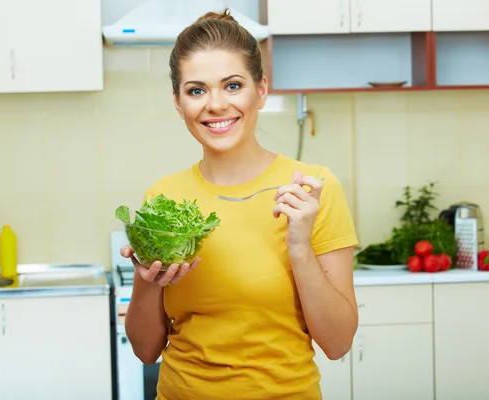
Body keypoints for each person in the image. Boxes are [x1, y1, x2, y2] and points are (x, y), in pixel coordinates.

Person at [120, 8, 359, 400]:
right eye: (196, 90)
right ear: (179, 104)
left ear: (261, 90)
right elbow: (146, 351)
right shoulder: (164, 199)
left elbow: (338, 344)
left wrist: (299, 247)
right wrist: (146, 282)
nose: (215, 104)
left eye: (232, 86)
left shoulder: (312, 190)